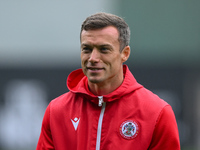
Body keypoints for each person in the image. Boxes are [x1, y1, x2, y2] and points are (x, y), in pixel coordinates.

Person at [36, 12, 180, 150]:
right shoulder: (56, 111)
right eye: (86, 49)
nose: (93, 58)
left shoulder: (157, 112)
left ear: (125, 54)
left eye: (104, 49)